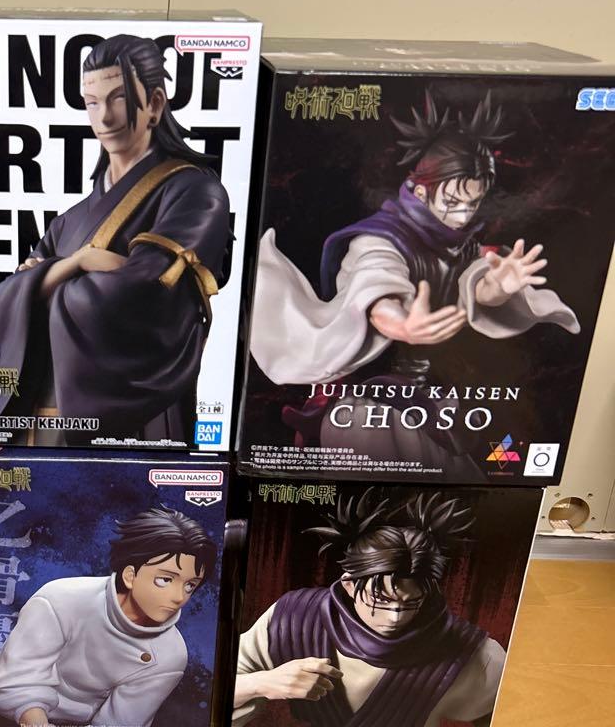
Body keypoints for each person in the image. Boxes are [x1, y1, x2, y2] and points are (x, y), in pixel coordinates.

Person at [247, 94, 580, 475]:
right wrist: (402, 323)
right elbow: (375, 290)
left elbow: (476, 286)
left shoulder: (459, 245)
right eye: (452, 201)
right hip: (367, 409)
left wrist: (500, 287)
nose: (462, 216)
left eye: (472, 204)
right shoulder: (379, 240)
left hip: (423, 403)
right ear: (421, 191)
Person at [0, 34, 234, 446]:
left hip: (139, 422)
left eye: (119, 98)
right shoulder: (69, 222)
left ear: (154, 103)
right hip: (42, 422)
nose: (104, 117)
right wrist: (77, 263)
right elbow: (7, 295)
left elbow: (141, 292)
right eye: (91, 102)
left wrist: (45, 283)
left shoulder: (195, 192)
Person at [231, 491, 504, 727]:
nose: (394, 618)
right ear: (349, 584)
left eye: (411, 603)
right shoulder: (292, 619)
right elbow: (204, 697)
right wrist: (264, 683)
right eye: (381, 600)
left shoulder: (472, 652)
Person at [0, 507, 217, 727]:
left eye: (190, 585)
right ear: (130, 575)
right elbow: (17, 681)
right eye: (165, 580)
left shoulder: (170, 653)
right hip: (0, 723)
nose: (179, 597)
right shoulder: (61, 599)